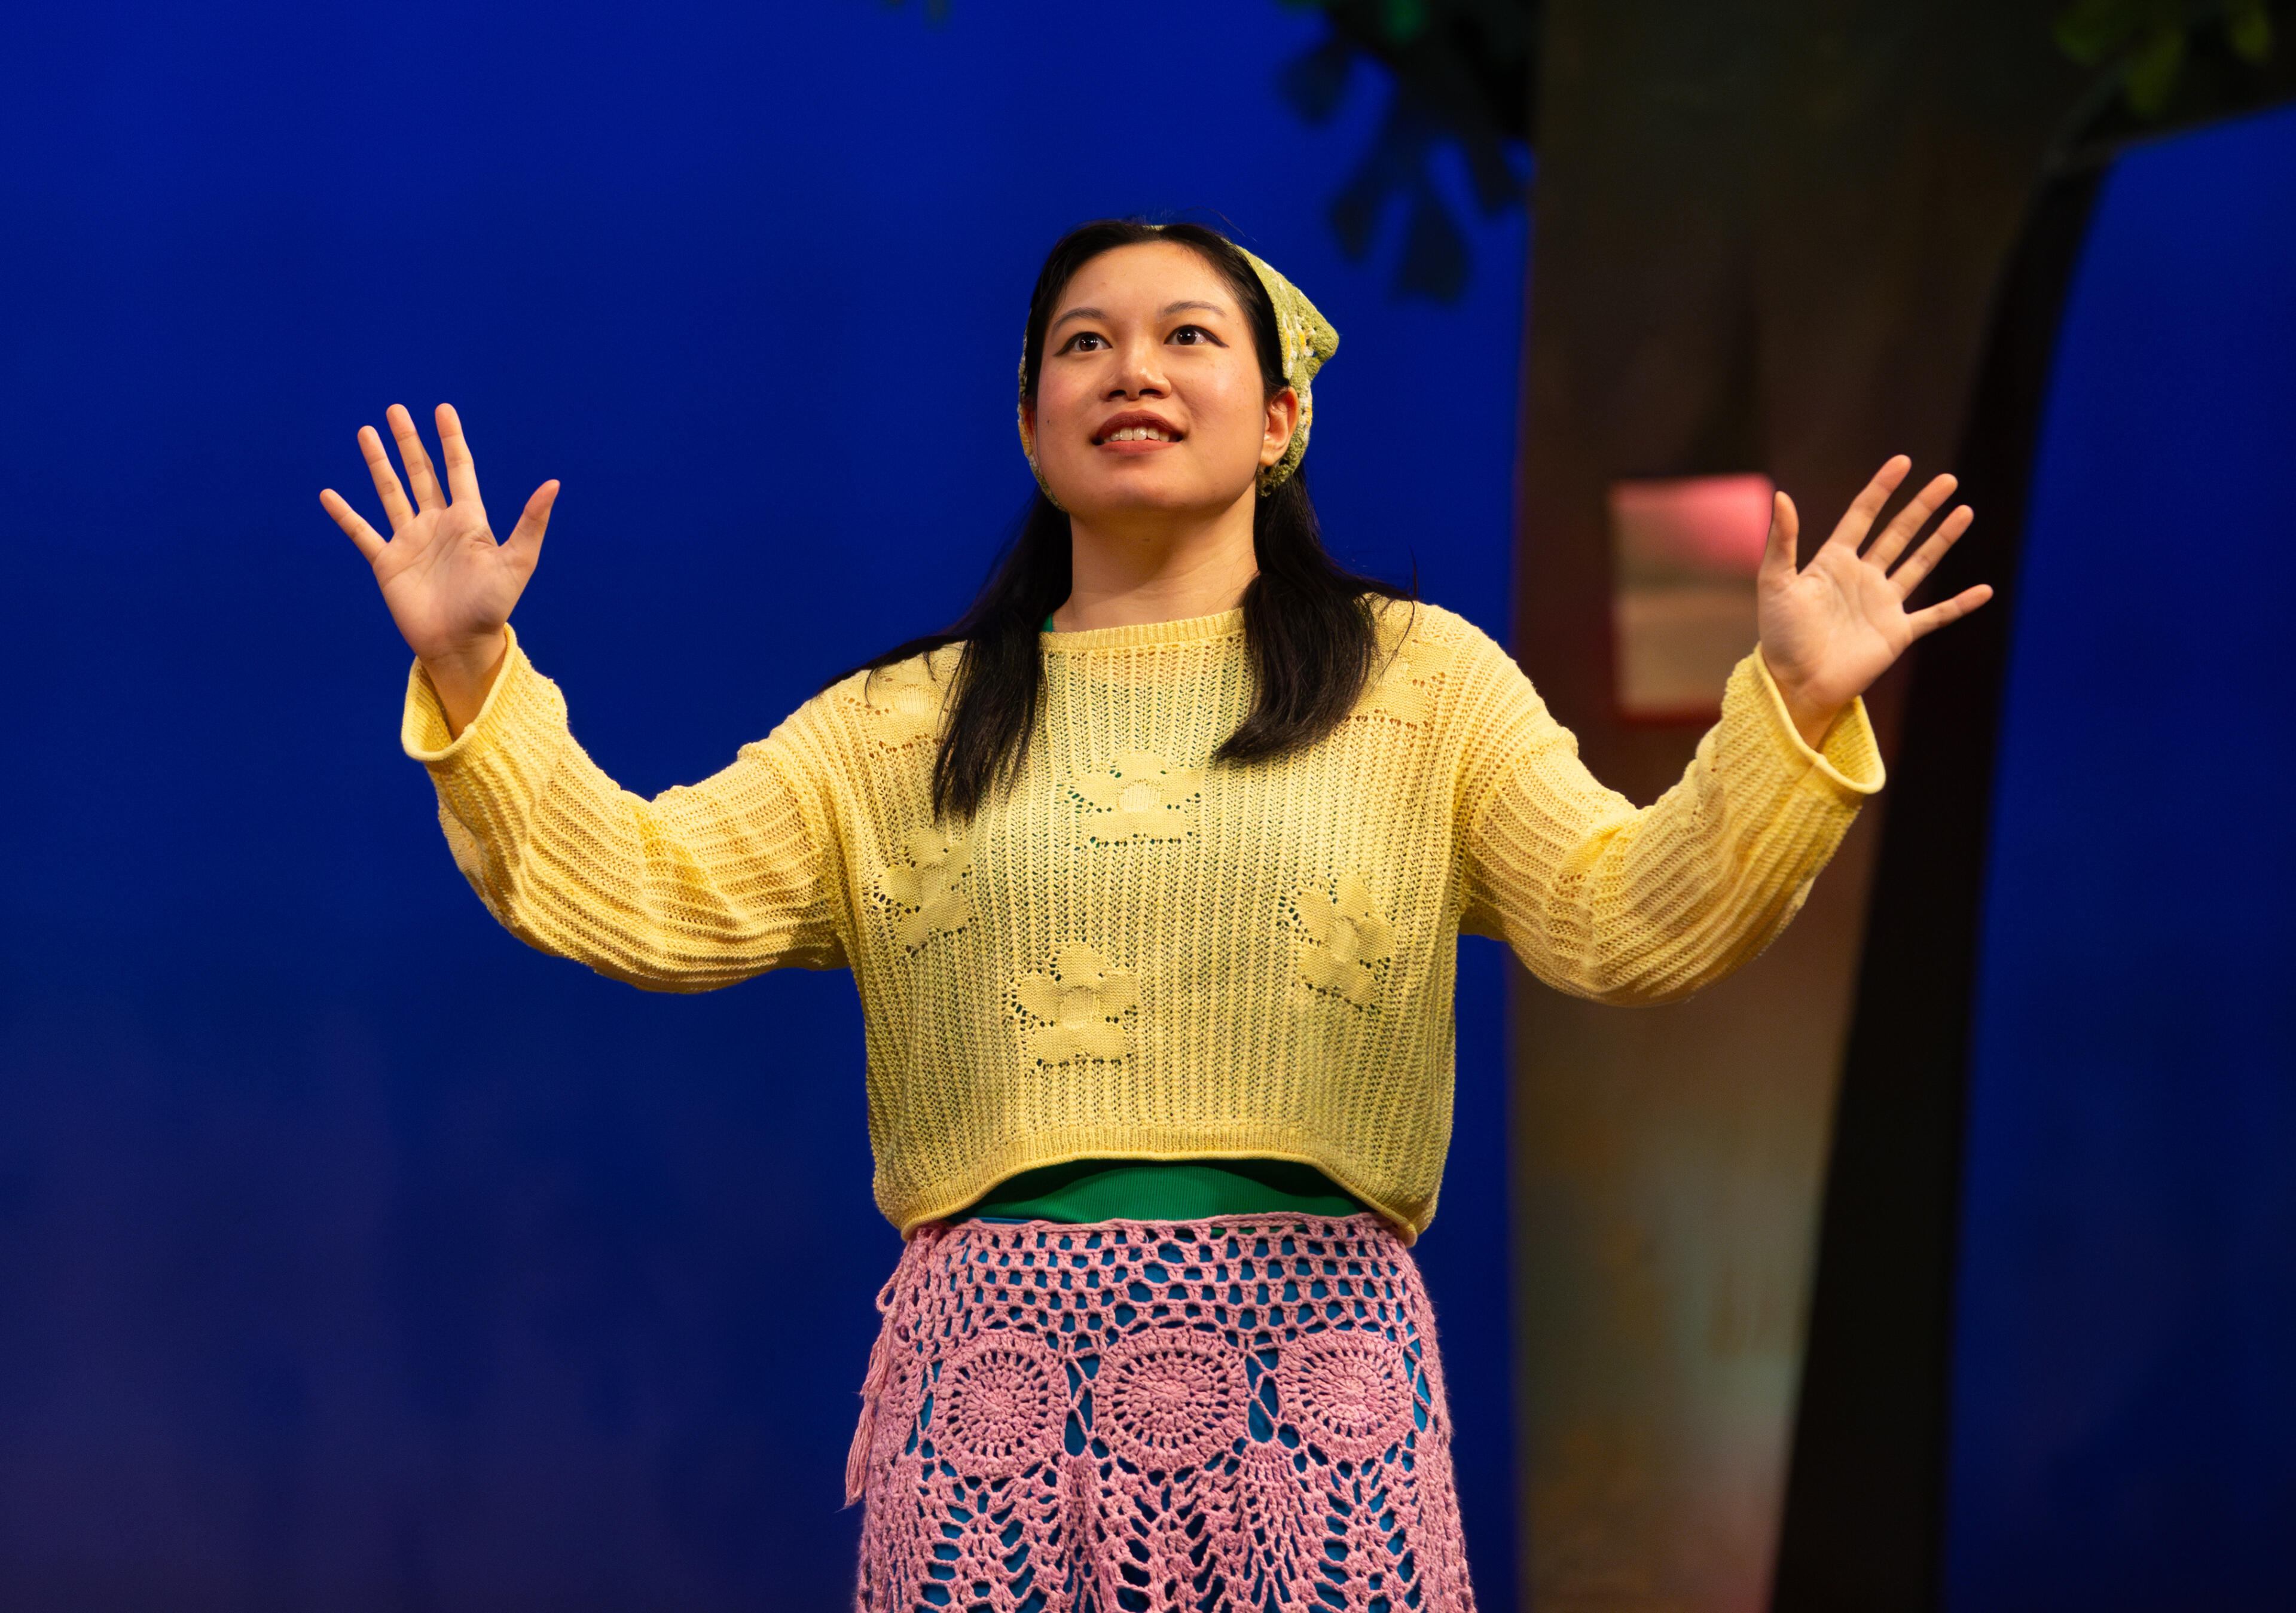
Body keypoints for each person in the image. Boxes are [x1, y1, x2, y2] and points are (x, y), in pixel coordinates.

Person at [321, 218, 1988, 1611]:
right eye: (1084, 344)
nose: (1134, 369)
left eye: (1190, 336)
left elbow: (1627, 920)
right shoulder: (901, 726)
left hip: (1318, 1383)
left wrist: (1790, 708)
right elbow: (640, 889)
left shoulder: (1422, 685)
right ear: (1030, 423)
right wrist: (473, 667)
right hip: (994, 1395)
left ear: (1279, 417)